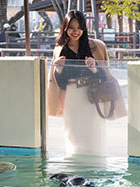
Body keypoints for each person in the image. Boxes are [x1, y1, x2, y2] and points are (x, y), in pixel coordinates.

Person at [47, 10, 127, 156]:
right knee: (73, 136)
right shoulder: (59, 50)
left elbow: (106, 76)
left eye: (79, 27)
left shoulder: (96, 46)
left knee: (94, 135)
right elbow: (60, 83)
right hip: (71, 97)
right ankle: (75, 172)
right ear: (65, 28)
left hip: (93, 96)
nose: (75, 31)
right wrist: (58, 70)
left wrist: (94, 68)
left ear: (84, 28)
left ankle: (96, 171)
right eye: (71, 27)